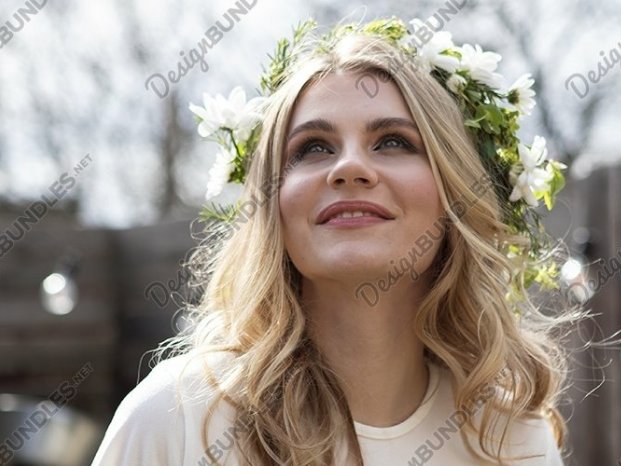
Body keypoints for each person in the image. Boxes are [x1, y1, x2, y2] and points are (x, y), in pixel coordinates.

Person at [92, 16, 576, 465]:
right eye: (313, 148)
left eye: (392, 141)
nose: (348, 168)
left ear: (455, 194)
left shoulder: (512, 439)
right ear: (271, 205)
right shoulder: (177, 418)